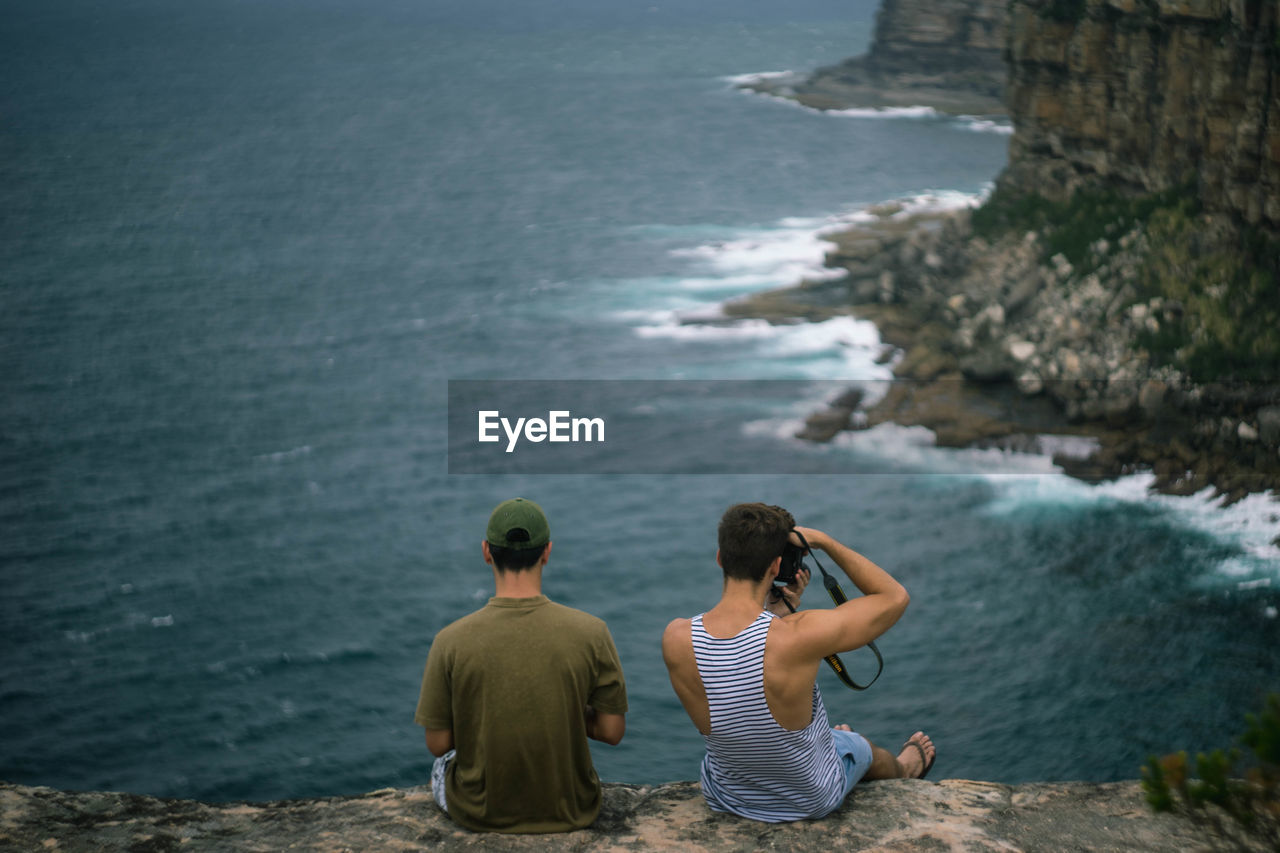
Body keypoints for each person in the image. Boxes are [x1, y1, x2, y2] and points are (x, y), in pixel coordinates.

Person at [661, 502, 934, 823]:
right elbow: (894, 597)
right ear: (777, 567)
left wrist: (774, 613)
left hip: (728, 793)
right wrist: (824, 542)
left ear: (720, 558)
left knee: (819, 737)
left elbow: (737, 672)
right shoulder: (797, 636)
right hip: (808, 798)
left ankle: (827, 742)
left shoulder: (676, 637)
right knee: (862, 748)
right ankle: (906, 767)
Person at [415, 497, 628, 833]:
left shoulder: (450, 640)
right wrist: (562, 708)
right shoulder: (592, 632)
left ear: (486, 552)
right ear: (547, 552)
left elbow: (438, 743)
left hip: (479, 810)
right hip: (572, 807)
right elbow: (612, 732)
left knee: (442, 764)